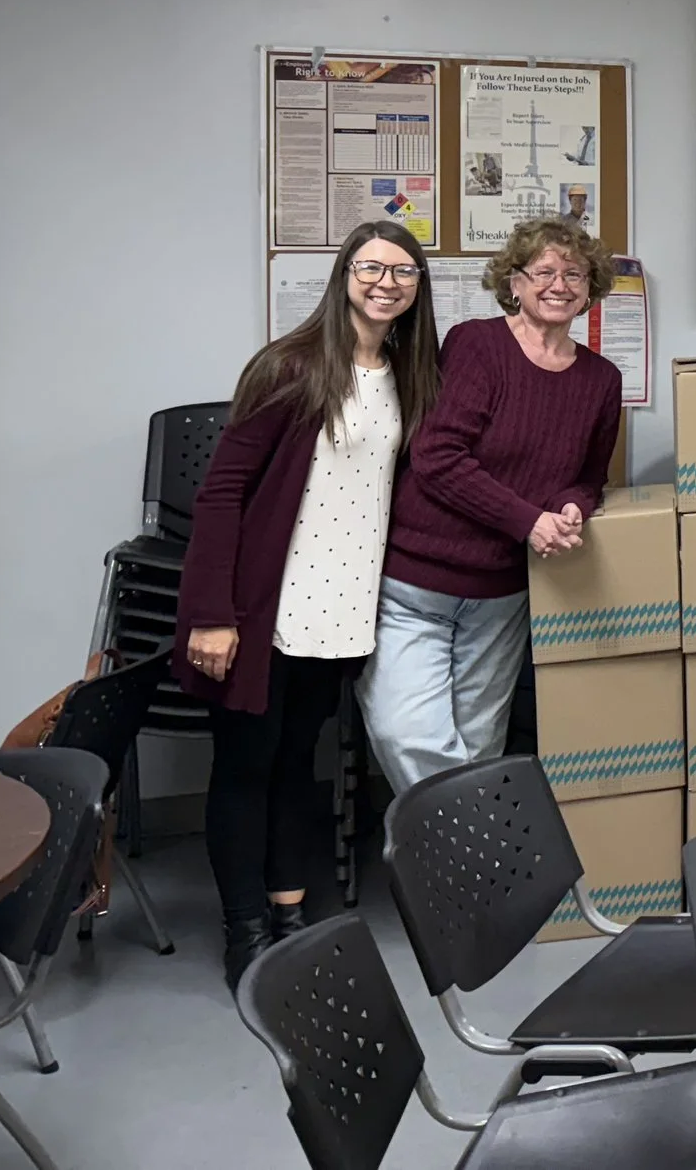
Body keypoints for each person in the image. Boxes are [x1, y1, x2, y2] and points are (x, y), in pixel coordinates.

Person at [174, 223, 440, 989]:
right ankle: (245, 932)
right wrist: (213, 613)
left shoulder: (406, 374)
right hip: (264, 613)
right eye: (371, 266)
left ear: (417, 289)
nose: (386, 280)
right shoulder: (290, 368)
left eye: (404, 271)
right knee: (245, 769)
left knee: (299, 767)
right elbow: (222, 495)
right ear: (343, 274)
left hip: (342, 613)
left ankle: (288, 914)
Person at [361, 216, 623, 793]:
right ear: (515, 282)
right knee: (408, 735)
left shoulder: (602, 379)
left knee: (478, 745)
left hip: (502, 596)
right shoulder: (477, 343)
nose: (559, 284)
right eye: (544, 272)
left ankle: (454, 875)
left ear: (590, 288)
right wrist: (528, 520)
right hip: (417, 586)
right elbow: (437, 456)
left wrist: (571, 507)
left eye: (575, 274)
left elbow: (588, 477)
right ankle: (474, 850)